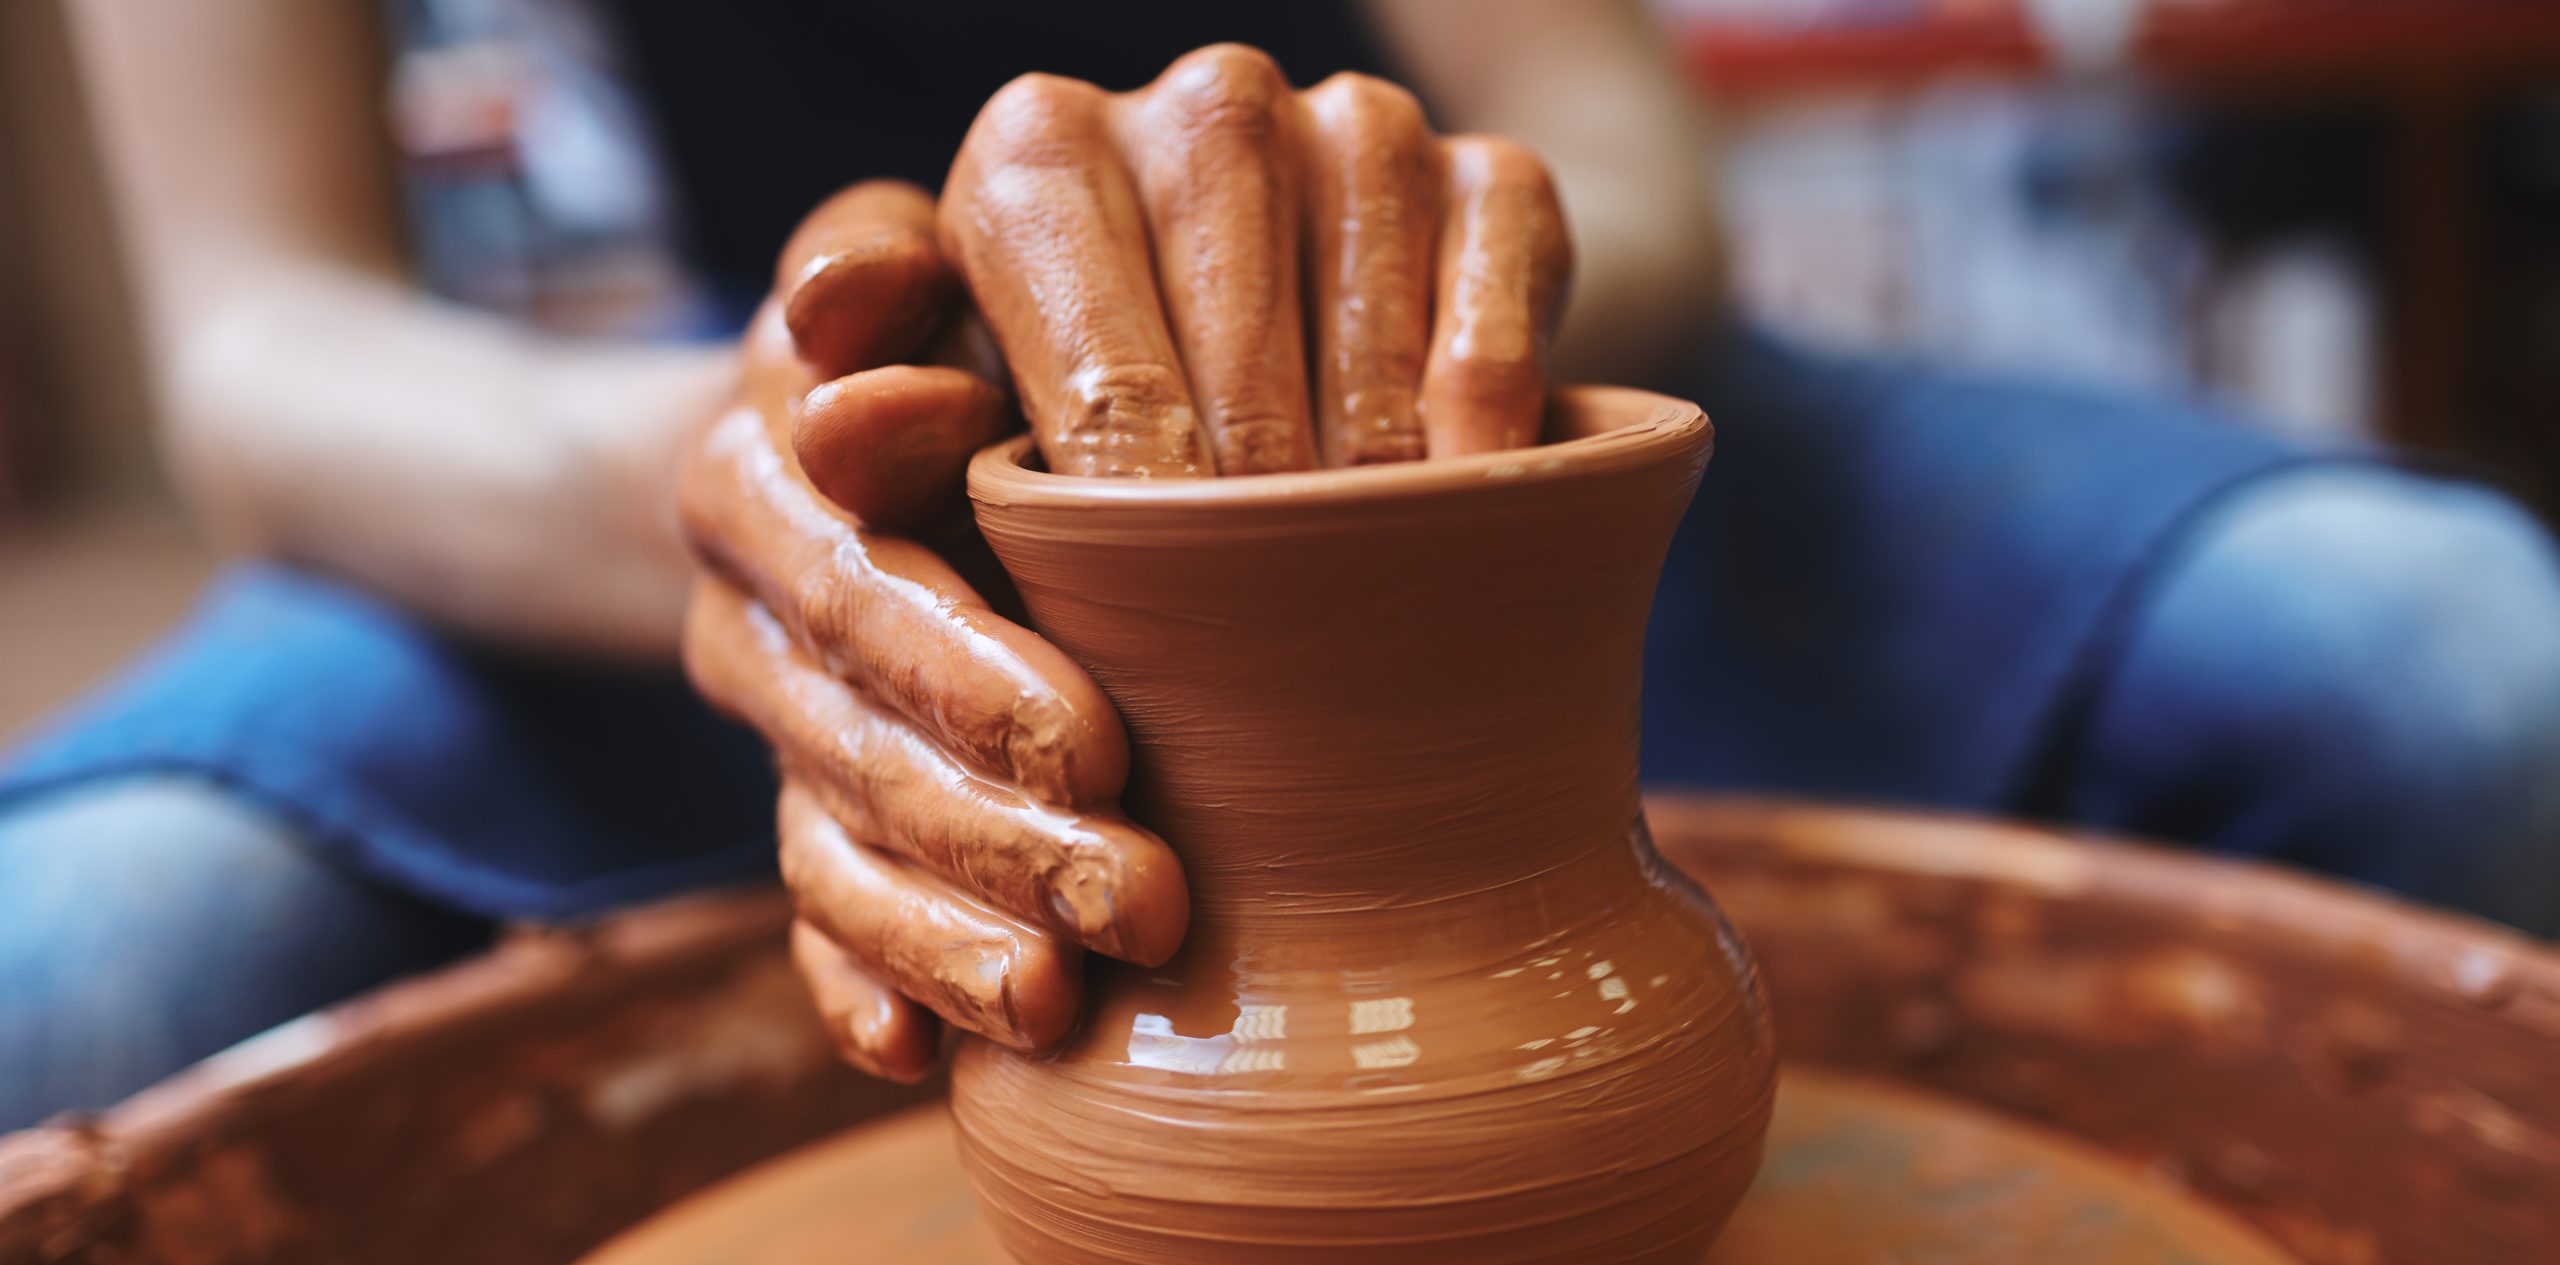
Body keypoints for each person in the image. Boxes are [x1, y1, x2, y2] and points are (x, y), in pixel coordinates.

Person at [6, 0, 2556, 1128]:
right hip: (745, 456)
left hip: (1476, 426)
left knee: (2454, 672)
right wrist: (776, 473)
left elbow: (1620, 147)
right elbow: (254, 332)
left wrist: (1457, 296)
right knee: (86, 974)